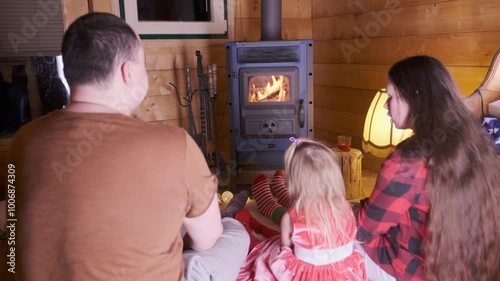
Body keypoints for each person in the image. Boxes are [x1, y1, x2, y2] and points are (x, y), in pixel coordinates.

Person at [9, 12, 249, 281]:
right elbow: (207, 241)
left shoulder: (23, 141)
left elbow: (14, 234)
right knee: (232, 231)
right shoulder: (174, 145)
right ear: (128, 72)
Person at [356, 55, 500, 281]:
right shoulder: (480, 144)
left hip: (416, 271)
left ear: (414, 98)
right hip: (470, 270)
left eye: (391, 97)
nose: (385, 105)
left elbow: (365, 229)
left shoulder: (407, 162)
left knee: (339, 249)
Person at [237, 138, 366, 281]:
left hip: (305, 275)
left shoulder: (289, 218)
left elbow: (286, 248)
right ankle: (276, 197)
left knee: (269, 251)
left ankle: (268, 203)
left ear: (294, 182)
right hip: (344, 274)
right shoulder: (346, 207)